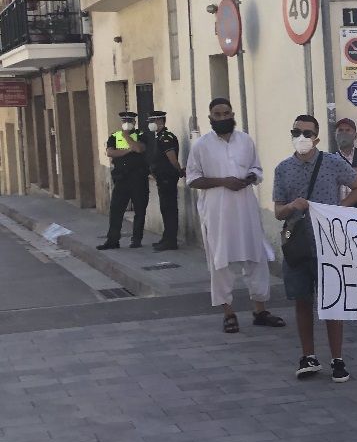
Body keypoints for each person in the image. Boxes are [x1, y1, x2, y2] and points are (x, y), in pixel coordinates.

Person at [274, 115, 357, 383]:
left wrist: (338, 210)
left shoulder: (332, 163)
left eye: (308, 133)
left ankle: (337, 359)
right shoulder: (283, 169)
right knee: (302, 300)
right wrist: (293, 206)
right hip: (298, 245)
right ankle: (308, 356)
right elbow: (279, 210)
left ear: (316, 137)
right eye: (297, 132)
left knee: (332, 303)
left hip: (329, 245)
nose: (302, 137)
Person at [186, 98, 286, 334]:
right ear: (210, 118)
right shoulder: (201, 145)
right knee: (221, 261)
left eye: (226, 114)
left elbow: (257, 169)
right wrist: (224, 182)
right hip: (217, 212)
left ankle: (260, 310)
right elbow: (193, 179)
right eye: (217, 115)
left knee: (256, 257)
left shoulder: (245, 140)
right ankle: (228, 312)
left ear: (233, 114)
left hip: (246, 208)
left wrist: (248, 178)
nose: (222, 118)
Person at [98, 111, 150, 250]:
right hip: (121, 179)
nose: (127, 123)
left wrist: (127, 137)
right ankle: (112, 240)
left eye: (129, 120)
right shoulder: (114, 136)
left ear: (134, 122)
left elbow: (139, 148)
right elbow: (110, 152)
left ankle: (136, 240)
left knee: (139, 210)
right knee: (116, 210)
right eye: (124, 120)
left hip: (139, 178)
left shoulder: (141, 135)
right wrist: (128, 150)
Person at [145, 110, 184, 251]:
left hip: (168, 178)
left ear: (160, 121)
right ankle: (166, 238)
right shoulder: (160, 136)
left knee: (169, 209)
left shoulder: (166, 137)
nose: (150, 124)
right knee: (165, 209)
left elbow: (172, 159)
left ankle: (171, 241)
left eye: (152, 121)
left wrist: (179, 171)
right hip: (162, 178)